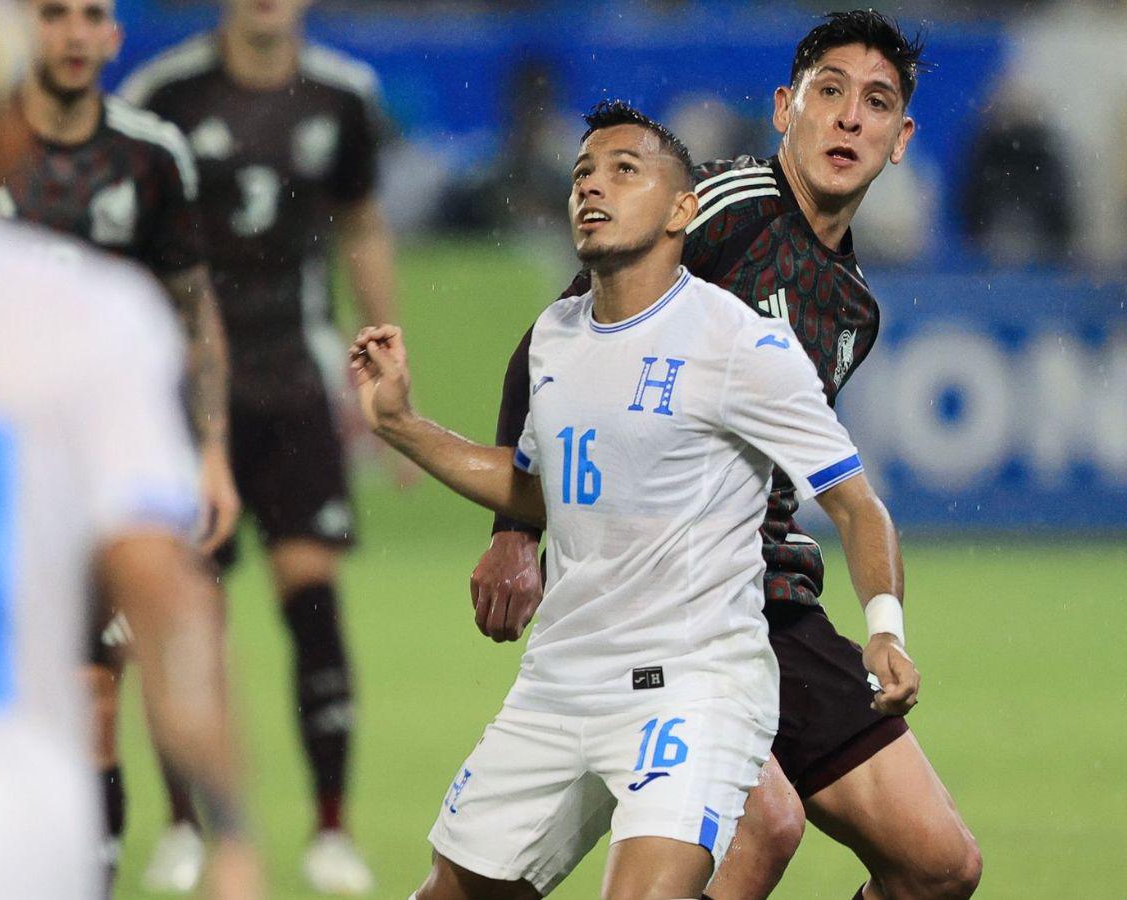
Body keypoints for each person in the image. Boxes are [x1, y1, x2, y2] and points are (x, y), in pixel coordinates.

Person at [471, 11, 983, 900]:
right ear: (786, 108)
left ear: (902, 141)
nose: (849, 119)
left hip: (774, 595)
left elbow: (817, 481)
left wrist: (885, 626)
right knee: (767, 828)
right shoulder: (720, 208)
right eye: (829, 93)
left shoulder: (854, 308)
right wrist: (517, 528)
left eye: (876, 104)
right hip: (674, 598)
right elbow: (553, 340)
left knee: (938, 867)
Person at [350, 100, 916, 900]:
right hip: (561, 678)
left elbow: (857, 504)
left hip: (692, 685)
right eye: (583, 172)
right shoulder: (557, 336)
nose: (593, 187)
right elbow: (542, 492)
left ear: (683, 208)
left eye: (624, 170)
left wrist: (884, 629)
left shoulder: (741, 345)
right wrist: (402, 426)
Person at [0, 1, 258, 898]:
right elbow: (161, 591)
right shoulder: (92, 318)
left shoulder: (145, 173)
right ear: (8, 133)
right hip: (8, 828)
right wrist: (230, 832)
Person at [120, 0, 399, 891]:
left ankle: (330, 831)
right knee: (185, 614)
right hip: (188, 392)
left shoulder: (345, 96)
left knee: (311, 600)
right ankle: (183, 825)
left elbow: (361, 224)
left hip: (296, 378)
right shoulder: (164, 95)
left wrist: (386, 365)